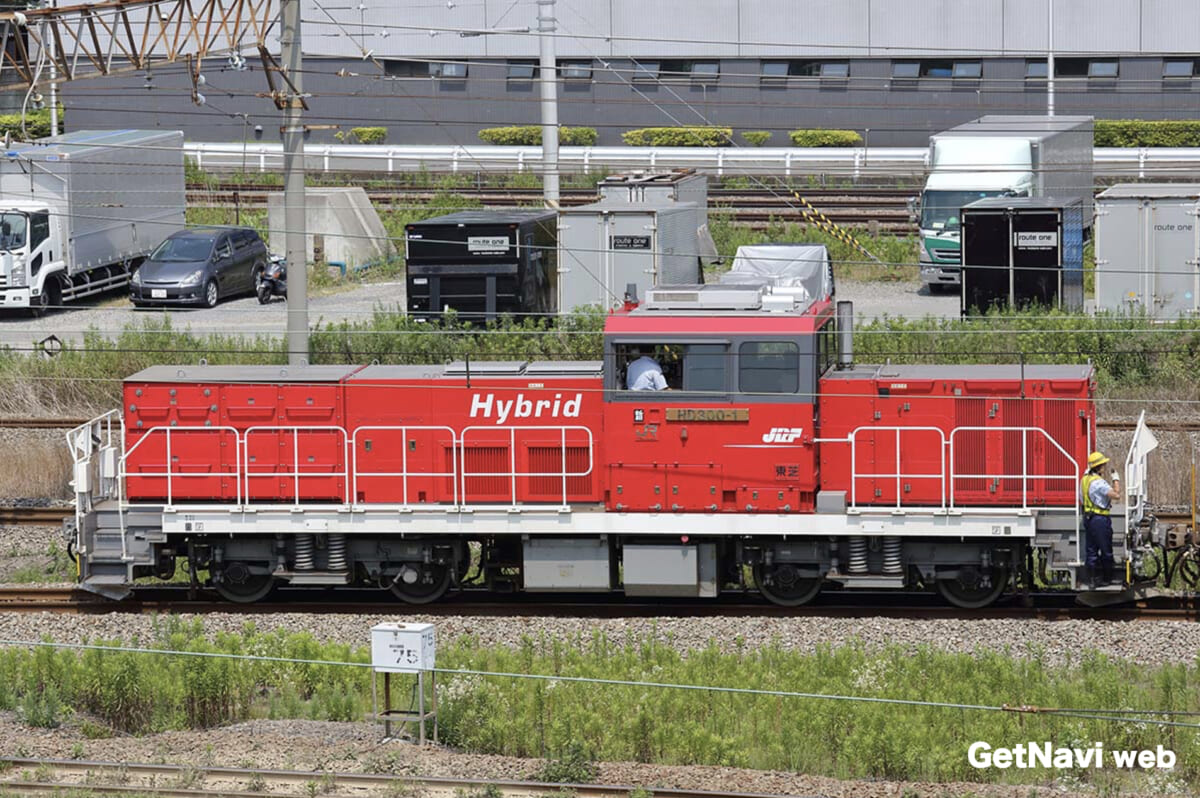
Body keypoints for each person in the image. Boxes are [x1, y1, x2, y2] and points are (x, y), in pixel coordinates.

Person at [1080, 450, 1121, 588]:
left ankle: (1092, 581)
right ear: (1099, 467)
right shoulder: (1098, 483)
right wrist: (1116, 479)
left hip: (1088, 518)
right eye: (1103, 464)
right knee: (1106, 550)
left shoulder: (1084, 480)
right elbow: (1116, 495)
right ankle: (1107, 579)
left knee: (1091, 550)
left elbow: (1082, 499)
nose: (1104, 467)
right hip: (1100, 519)